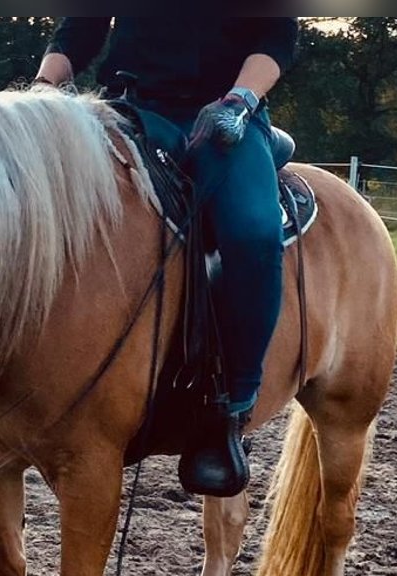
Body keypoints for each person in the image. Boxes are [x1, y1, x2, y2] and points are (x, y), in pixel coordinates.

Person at [35, 17, 299, 497]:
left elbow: (275, 38)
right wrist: (41, 87)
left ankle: (232, 408)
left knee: (252, 233)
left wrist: (240, 100)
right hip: (125, 111)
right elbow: (80, 28)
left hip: (224, 114)